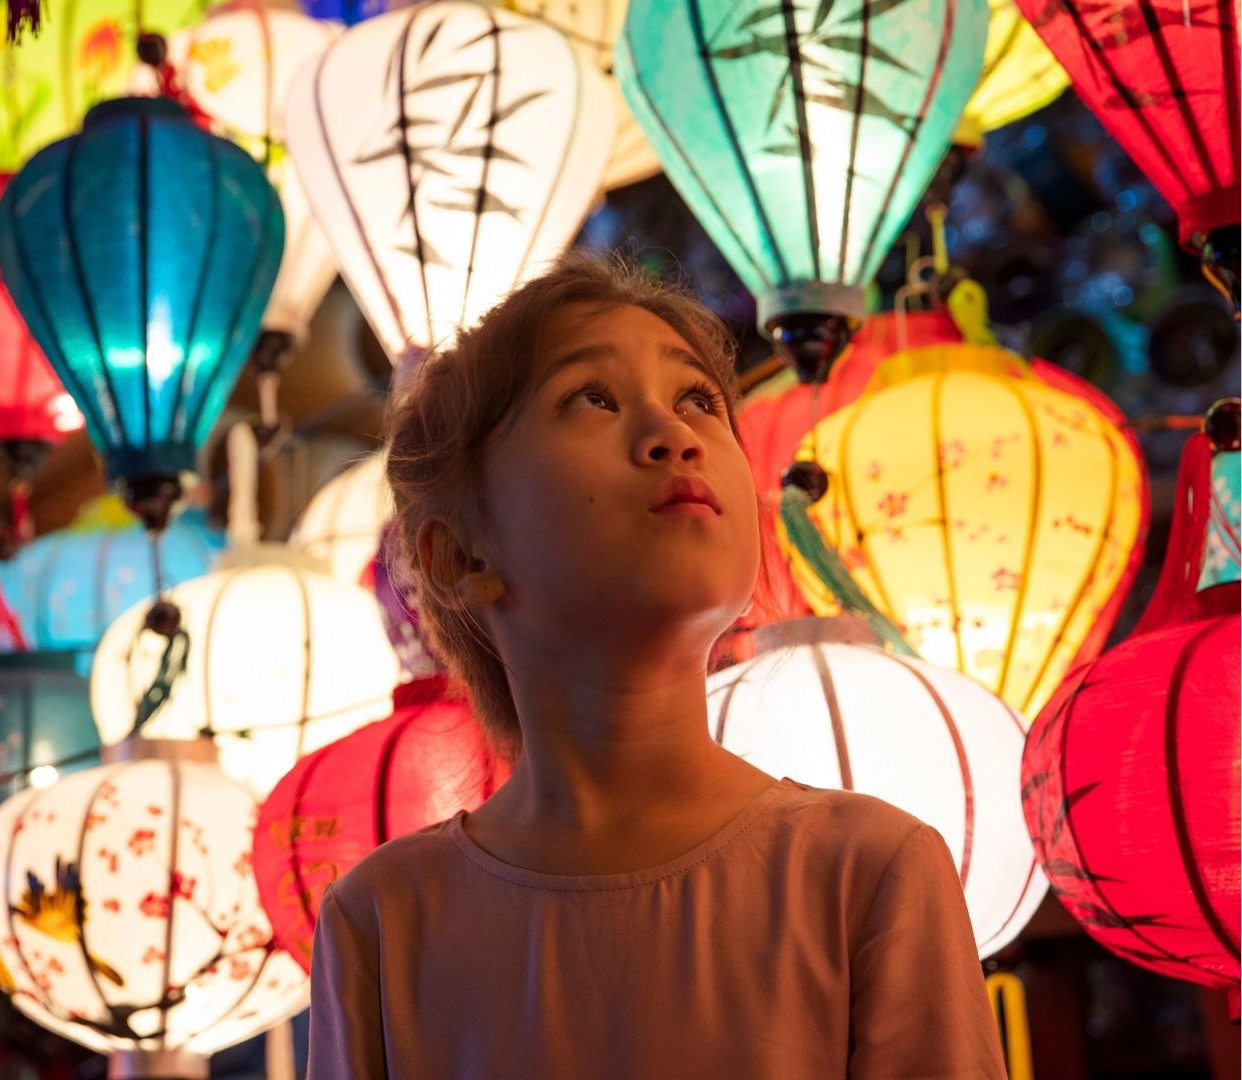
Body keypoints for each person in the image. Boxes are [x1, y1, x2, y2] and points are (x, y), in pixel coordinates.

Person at [307, 253, 1007, 1079]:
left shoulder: (869, 872)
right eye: (591, 398)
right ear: (459, 553)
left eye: (700, 401)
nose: (674, 434)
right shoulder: (385, 923)